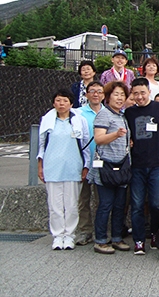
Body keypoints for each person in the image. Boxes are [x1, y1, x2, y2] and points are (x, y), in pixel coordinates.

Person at [37, 89, 90, 250]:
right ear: (54, 103)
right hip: (52, 168)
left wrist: (85, 166)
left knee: (72, 205)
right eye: (58, 101)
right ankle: (58, 235)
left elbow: (85, 145)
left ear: (71, 103)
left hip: (73, 167)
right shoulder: (47, 121)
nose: (61, 104)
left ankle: (70, 235)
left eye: (65, 101)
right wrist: (40, 166)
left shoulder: (78, 120)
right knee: (55, 205)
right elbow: (41, 146)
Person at [124, 78, 159, 255]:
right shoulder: (129, 112)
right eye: (135, 93)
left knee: (154, 203)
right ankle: (138, 240)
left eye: (142, 92)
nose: (139, 96)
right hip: (137, 165)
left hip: (156, 164)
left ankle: (153, 233)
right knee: (136, 204)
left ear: (149, 91)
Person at [89, 81, 131, 254]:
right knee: (105, 204)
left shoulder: (121, 116)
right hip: (106, 166)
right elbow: (98, 139)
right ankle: (100, 240)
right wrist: (116, 134)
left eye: (122, 94)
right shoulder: (103, 115)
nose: (120, 98)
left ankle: (116, 238)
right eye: (116, 94)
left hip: (121, 166)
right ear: (107, 97)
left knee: (120, 205)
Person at [76, 80, 104, 246]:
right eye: (92, 91)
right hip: (84, 163)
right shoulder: (78, 114)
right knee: (84, 199)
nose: (95, 94)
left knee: (102, 200)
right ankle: (85, 231)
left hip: (103, 164)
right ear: (86, 94)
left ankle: (100, 231)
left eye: (99, 91)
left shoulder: (108, 112)